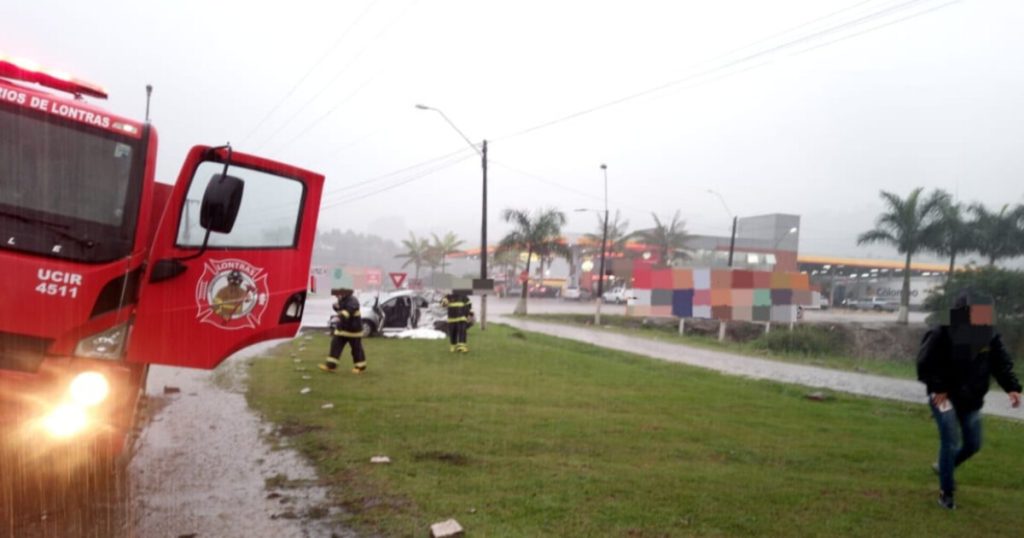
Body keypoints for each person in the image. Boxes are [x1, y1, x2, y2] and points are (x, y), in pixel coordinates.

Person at [916, 289, 1021, 510]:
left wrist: (1012, 387)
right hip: (942, 396)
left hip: (971, 397)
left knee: (973, 444)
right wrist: (938, 387)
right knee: (950, 439)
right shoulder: (942, 331)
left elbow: (1000, 362)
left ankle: (945, 466)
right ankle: (947, 493)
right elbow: (925, 363)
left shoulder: (988, 334)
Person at [320, 288, 367, 374]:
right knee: (335, 346)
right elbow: (341, 310)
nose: (337, 296)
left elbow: (348, 312)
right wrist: (335, 307)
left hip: (354, 330)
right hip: (342, 329)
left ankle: (360, 367)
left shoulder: (353, 300)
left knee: (357, 349)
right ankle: (331, 366)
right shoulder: (342, 300)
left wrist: (339, 317)